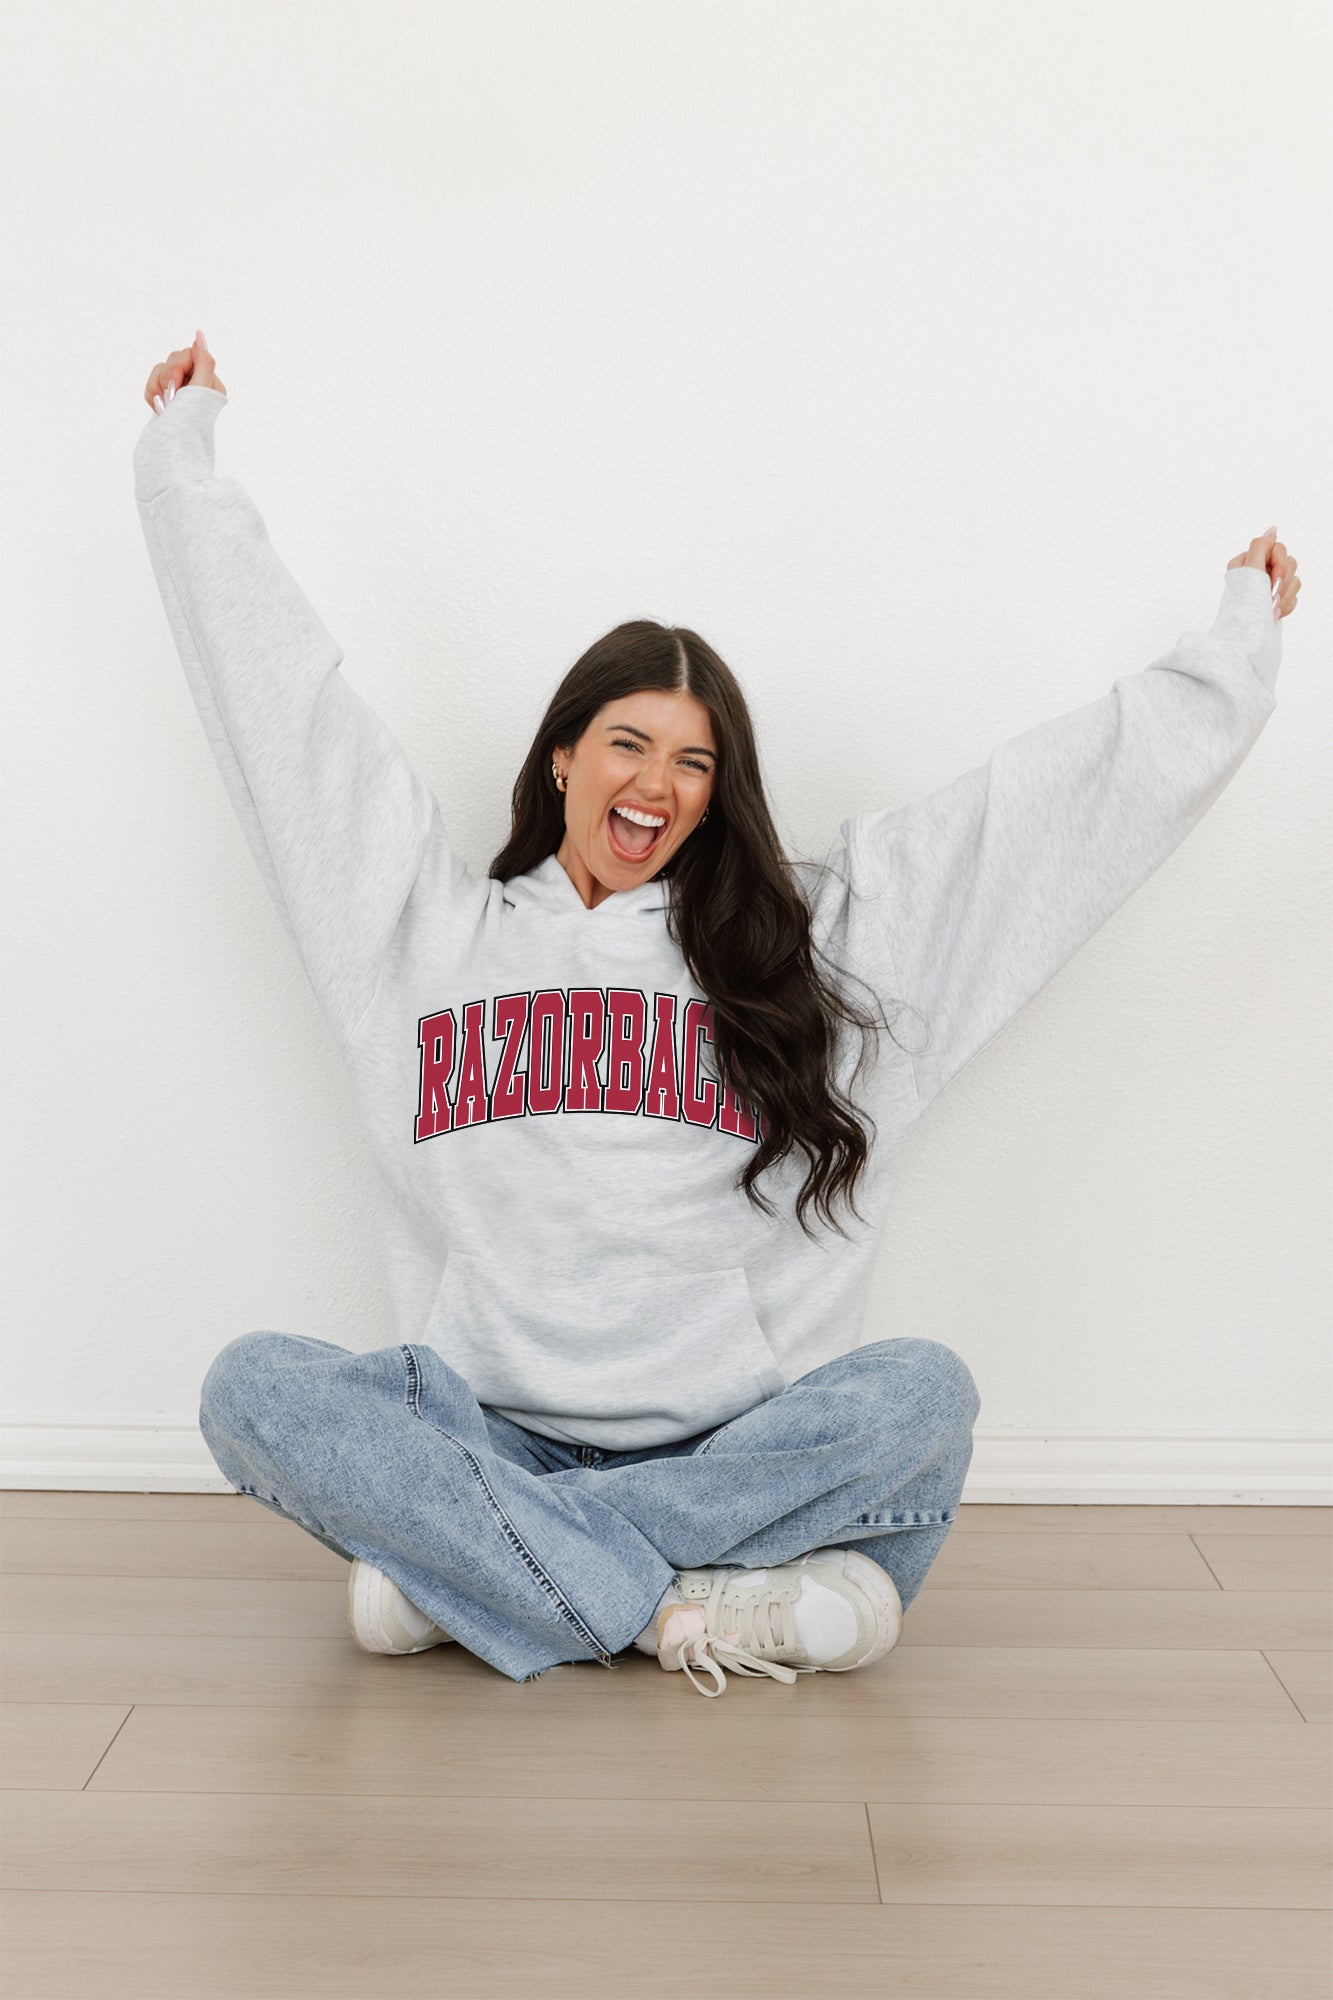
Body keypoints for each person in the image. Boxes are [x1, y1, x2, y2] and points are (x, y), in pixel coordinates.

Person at [136, 333, 1299, 1699]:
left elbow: (1038, 819)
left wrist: (1231, 654)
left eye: (695, 762)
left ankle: (482, 1577)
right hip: (485, 1434)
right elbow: (290, 723)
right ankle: (682, 1603)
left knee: (922, 1394)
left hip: (729, 1444)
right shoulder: (420, 936)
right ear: (562, 757)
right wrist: (182, 465)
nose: (657, 785)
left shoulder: (809, 948)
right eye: (628, 743)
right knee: (250, 1388)